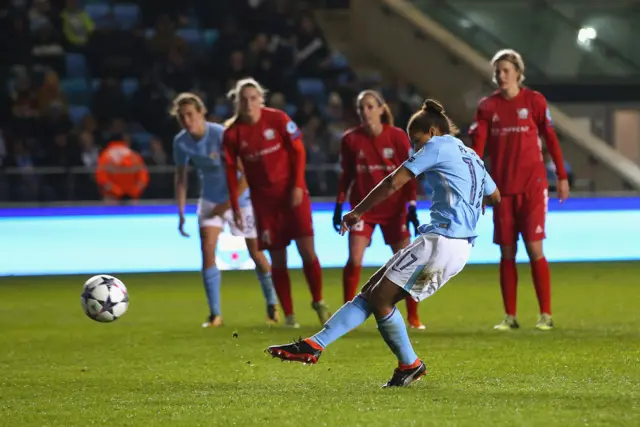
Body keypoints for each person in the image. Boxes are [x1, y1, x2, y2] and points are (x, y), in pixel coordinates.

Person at [267, 99, 501, 387]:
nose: (416, 149)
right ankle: (315, 345)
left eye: (417, 141)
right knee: (371, 292)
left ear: (431, 131)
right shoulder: (472, 155)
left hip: (440, 240)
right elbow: (495, 195)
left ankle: (410, 364)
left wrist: (357, 212)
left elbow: (393, 182)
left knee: (380, 298)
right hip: (460, 246)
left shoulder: (437, 145)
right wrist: (471, 202)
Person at [469, 49, 569, 331]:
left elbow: (550, 137)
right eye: (498, 71)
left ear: (517, 73)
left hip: (533, 188)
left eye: (506, 71)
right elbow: (478, 149)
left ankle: (545, 314)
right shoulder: (487, 107)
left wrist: (561, 176)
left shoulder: (534, 101)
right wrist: (478, 187)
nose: (501, 76)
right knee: (507, 252)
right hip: (502, 191)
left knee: (535, 248)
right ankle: (510, 316)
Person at [222, 78, 330, 328]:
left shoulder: (278, 119)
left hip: (292, 194)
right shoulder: (233, 134)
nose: (249, 103)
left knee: (307, 251)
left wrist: (297, 186)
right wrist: (236, 207)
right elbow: (229, 171)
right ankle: (290, 316)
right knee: (278, 259)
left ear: (261, 99)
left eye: (253, 98)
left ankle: (319, 301)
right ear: (237, 103)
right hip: (264, 204)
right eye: (243, 99)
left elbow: (299, 151)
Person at [171, 92, 279, 328]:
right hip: (210, 199)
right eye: (182, 117)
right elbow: (181, 179)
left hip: (240, 198)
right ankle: (215, 314)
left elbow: (246, 173)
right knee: (207, 250)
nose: (187, 121)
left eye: (190, 114)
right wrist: (180, 212)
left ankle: (272, 303)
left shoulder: (221, 135)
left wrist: (228, 205)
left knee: (256, 254)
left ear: (202, 113)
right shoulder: (181, 142)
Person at [333, 89, 424, 329]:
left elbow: (410, 174)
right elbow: (346, 176)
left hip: (394, 210)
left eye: (370, 106)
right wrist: (339, 205)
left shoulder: (397, 137)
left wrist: (411, 206)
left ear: (382, 109)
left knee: (406, 262)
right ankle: (346, 315)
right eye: (362, 108)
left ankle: (413, 316)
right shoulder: (350, 139)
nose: (365, 112)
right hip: (363, 210)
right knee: (354, 259)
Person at [96, 137, 149, 204]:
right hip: (130, 197)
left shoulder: (104, 156)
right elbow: (143, 178)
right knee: (132, 213)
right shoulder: (135, 156)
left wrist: (115, 190)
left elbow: (101, 178)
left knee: (111, 213)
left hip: (112, 197)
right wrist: (135, 190)